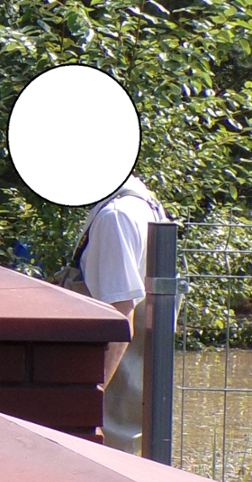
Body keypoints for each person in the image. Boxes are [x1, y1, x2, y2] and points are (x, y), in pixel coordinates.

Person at [72, 174, 168, 455]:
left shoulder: (116, 217)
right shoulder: (141, 203)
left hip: (109, 403)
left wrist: (87, 398)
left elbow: (119, 315)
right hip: (129, 396)